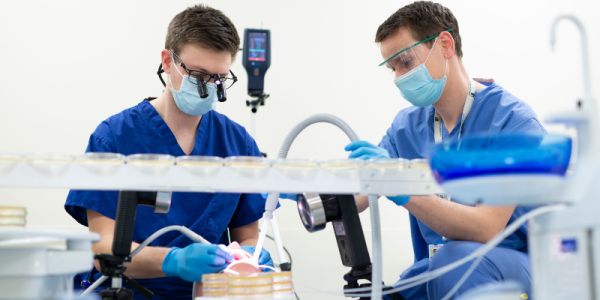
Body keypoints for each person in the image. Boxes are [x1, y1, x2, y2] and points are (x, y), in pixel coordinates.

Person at [65, 5, 272, 299]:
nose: (209, 88)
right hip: (127, 291)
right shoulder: (114, 137)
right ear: (167, 61)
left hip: (207, 292)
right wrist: (174, 261)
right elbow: (102, 249)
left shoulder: (237, 143)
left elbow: (248, 234)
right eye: (198, 75)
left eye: (219, 79)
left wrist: (251, 254)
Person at [345, 1, 543, 299]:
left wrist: (401, 187)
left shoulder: (512, 121)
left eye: (406, 62)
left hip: (517, 265)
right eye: (392, 68)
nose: (399, 77)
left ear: (445, 44)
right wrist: (309, 189)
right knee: (384, 294)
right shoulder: (407, 127)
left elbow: (487, 228)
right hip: (442, 265)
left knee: (455, 264)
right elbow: (359, 194)